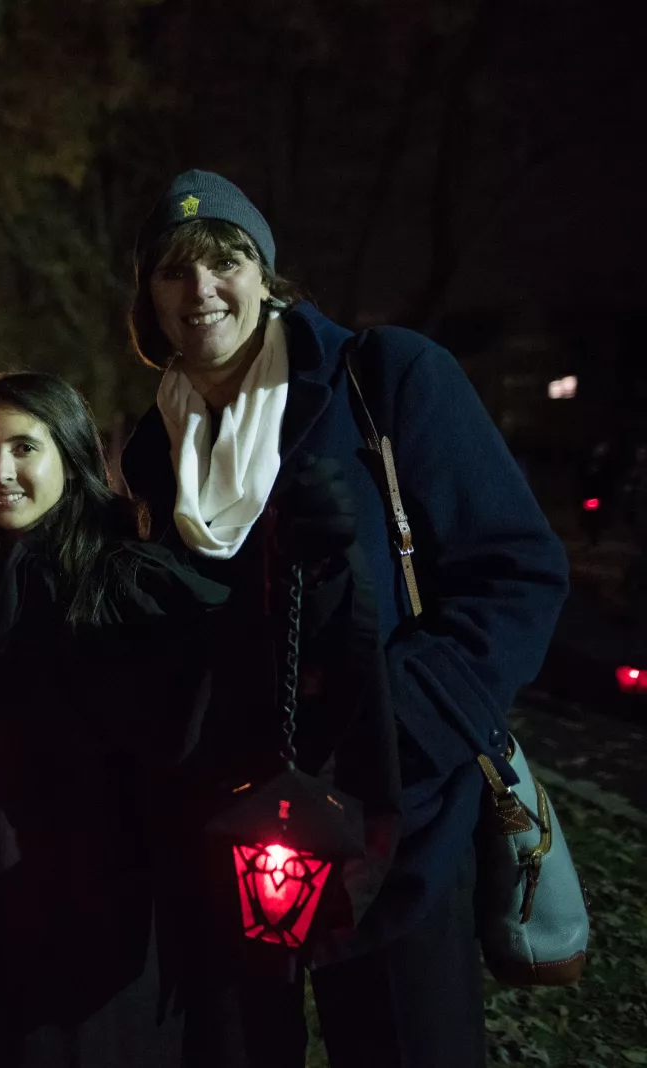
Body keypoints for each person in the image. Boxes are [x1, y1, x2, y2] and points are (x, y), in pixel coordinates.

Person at [119, 170, 569, 1067]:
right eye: (173, 270)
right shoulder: (151, 448)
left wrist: (399, 735)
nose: (200, 289)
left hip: (394, 828)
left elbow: (518, 570)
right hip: (236, 837)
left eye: (226, 260)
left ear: (267, 276)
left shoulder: (385, 379)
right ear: (149, 297)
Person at [0, 372, 229, 1067]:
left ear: (72, 455)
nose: (1, 472)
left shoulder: (125, 580)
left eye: (25, 448)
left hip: (97, 922)